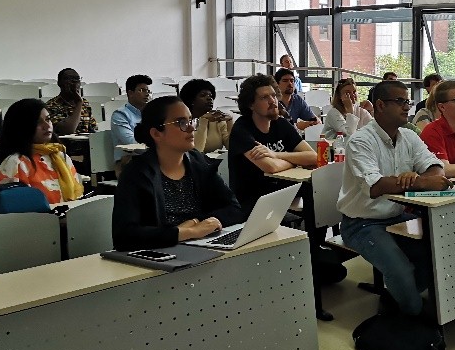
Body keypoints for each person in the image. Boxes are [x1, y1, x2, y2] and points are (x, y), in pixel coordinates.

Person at [338, 80, 450, 316]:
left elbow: (436, 169)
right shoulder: (360, 141)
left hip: (397, 218)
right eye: (400, 101)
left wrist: (422, 178)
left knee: (436, 254)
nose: (407, 106)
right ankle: (413, 320)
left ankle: (397, 300)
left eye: (407, 101)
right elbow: (376, 186)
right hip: (362, 223)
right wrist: (419, 181)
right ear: (380, 105)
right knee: (401, 270)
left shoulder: (408, 136)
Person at [112, 96, 245, 251]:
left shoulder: (198, 162)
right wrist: (187, 232)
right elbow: (124, 237)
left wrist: (195, 222)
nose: (191, 128)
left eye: (191, 121)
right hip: (160, 253)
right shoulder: (136, 174)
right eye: (181, 123)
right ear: (156, 133)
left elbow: (234, 209)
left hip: (198, 246)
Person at [228, 74, 316, 215]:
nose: (272, 101)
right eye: (264, 98)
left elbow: (313, 157)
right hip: (253, 198)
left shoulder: (281, 124)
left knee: (317, 188)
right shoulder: (242, 129)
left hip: (280, 189)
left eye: (274, 95)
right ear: (251, 104)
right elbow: (271, 167)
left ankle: (316, 231)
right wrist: (296, 162)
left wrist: (275, 154)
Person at [0, 98, 84, 204]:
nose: (47, 125)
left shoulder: (60, 156)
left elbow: (77, 198)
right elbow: (13, 208)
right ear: (21, 128)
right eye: (38, 122)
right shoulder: (15, 163)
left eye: (48, 119)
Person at [110, 74, 151, 176]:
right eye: (142, 90)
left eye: (148, 91)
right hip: (127, 164)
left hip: (150, 159)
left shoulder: (151, 113)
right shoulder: (120, 115)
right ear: (130, 93)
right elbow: (132, 143)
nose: (147, 94)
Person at [179, 78, 233, 153]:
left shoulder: (217, 121)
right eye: (203, 95)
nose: (209, 98)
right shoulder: (184, 123)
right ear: (191, 100)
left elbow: (232, 147)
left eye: (211, 96)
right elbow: (196, 151)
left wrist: (230, 122)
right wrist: (203, 119)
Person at [45, 68, 98, 136]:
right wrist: (79, 103)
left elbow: (93, 129)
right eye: (69, 79)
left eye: (77, 79)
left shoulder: (85, 103)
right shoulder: (51, 105)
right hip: (65, 142)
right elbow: (68, 130)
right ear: (60, 83)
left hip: (85, 141)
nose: (74, 82)